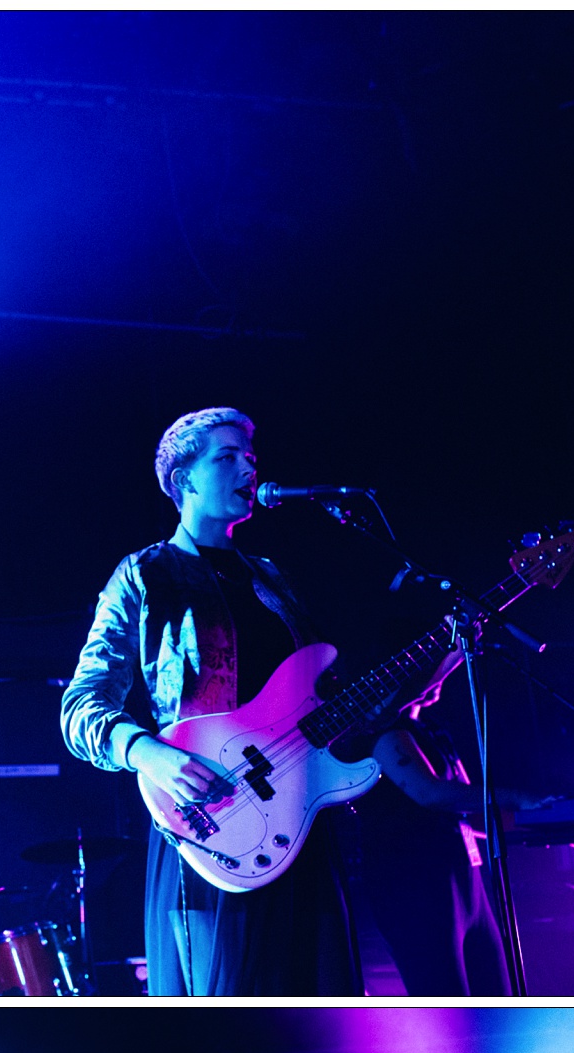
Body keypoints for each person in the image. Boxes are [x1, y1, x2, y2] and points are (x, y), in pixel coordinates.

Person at [61, 406, 361, 995]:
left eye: (250, 456)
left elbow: (317, 704)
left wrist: (436, 663)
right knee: (225, 1014)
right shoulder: (147, 574)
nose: (248, 465)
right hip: (209, 823)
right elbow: (81, 706)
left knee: (322, 1009)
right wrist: (147, 753)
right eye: (227, 456)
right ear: (184, 478)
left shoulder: (272, 578)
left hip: (301, 819)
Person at [350, 679, 514, 994]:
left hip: (466, 882)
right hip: (416, 888)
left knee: (500, 1000)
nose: (437, 678)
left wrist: (553, 821)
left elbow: (470, 806)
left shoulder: (432, 730)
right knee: (450, 1003)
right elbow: (432, 794)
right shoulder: (380, 734)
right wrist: (518, 798)